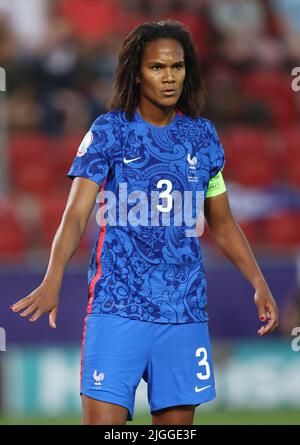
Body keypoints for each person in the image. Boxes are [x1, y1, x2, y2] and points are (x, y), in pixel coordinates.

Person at [10, 20, 279, 425]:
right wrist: (53, 277)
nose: (169, 77)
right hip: (118, 308)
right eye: (157, 67)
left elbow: (222, 224)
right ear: (137, 71)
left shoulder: (202, 138)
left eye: (177, 67)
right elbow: (76, 214)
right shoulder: (109, 132)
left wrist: (259, 282)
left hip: (183, 313)